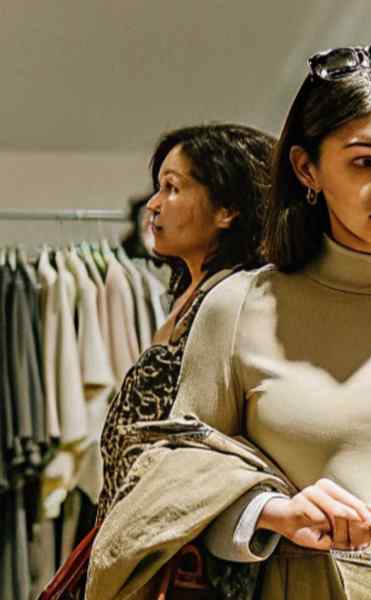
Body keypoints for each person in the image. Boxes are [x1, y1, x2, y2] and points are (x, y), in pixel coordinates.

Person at [90, 42, 371, 598]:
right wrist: (267, 510)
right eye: (364, 162)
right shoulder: (241, 308)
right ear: (306, 168)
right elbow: (166, 477)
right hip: (305, 581)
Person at [96, 123, 275, 519]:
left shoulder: (237, 302)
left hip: (187, 539)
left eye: (172, 188)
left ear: (227, 209)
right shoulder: (190, 295)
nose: (153, 204)